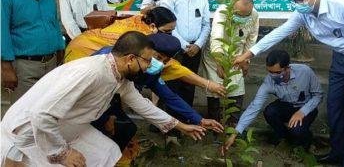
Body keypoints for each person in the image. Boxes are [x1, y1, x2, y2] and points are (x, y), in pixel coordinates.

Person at [234, 0, 344, 166]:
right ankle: (336, 153)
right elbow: (278, 33)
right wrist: (247, 54)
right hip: (338, 58)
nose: (298, 4)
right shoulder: (304, 14)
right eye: (295, 0)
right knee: (334, 109)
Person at [0, 31, 206, 166]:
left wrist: (180, 126)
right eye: (148, 61)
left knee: (107, 152)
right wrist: (63, 153)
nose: (149, 67)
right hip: (32, 134)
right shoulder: (91, 72)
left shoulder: (118, 76)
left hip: (71, 128)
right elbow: (41, 115)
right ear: (130, 59)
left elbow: (143, 105)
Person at [92, 33, 224, 165]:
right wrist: (106, 117)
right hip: (89, 109)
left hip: (114, 104)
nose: (159, 64)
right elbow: (86, 99)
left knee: (125, 130)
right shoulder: (104, 63)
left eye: (165, 61)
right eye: (157, 58)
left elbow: (167, 98)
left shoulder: (149, 71)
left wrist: (198, 120)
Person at [64, 6, 226, 96]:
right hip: (82, 54)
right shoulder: (138, 39)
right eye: (168, 32)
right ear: (153, 27)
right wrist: (207, 84)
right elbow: (173, 66)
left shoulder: (143, 24)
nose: (170, 36)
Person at [1, 0, 65, 103]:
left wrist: (60, 51)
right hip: (24, 67)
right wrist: (6, 68)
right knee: (24, 114)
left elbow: (54, 24)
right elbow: (2, 32)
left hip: (51, 63)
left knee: (47, 111)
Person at [225, 50, 323, 150]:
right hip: (286, 106)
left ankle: (305, 139)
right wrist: (235, 133)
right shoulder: (269, 82)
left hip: (306, 107)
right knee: (269, 112)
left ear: (287, 68)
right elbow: (254, 107)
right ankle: (286, 137)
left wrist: (302, 112)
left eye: (277, 72)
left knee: (297, 130)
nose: (273, 75)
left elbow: (318, 95)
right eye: (270, 72)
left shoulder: (305, 72)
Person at [199, 0, 259, 125]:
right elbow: (216, 38)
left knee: (237, 87)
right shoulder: (222, 12)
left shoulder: (254, 14)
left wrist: (246, 60)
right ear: (231, 8)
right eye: (239, 14)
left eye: (246, 15)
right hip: (216, 55)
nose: (242, 17)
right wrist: (219, 63)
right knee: (215, 89)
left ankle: (233, 125)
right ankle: (215, 125)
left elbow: (251, 39)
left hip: (237, 55)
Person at [160, 0, 211, 110]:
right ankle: (169, 126)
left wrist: (198, 45)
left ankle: (187, 121)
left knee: (189, 87)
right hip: (174, 48)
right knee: (171, 86)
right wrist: (184, 45)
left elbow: (206, 25)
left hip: (195, 50)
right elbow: (166, 25)